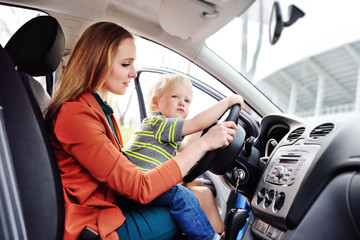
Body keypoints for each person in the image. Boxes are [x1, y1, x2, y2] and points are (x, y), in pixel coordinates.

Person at [45, 21, 237, 240]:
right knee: (186, 209)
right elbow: (140, 186)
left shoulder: (96, 110)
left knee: (187, 202)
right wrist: (204, 144)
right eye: (126, 64)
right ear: (98, 63)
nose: (134, 73)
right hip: (93, 225)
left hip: (108, 206)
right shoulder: (77, 115)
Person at [123, 74, 244, 235]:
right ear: (155, 102)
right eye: (175, 96)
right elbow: (195, 123)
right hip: (137, 190)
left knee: (200, 187)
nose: (182, 102)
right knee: (180, 194)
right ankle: (208, 237)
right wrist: (229, 102)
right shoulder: (158, 123)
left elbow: (188, 146)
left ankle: (222, 234)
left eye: (187, 101)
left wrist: (208, 127)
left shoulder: (166, 134)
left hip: (145, 187)